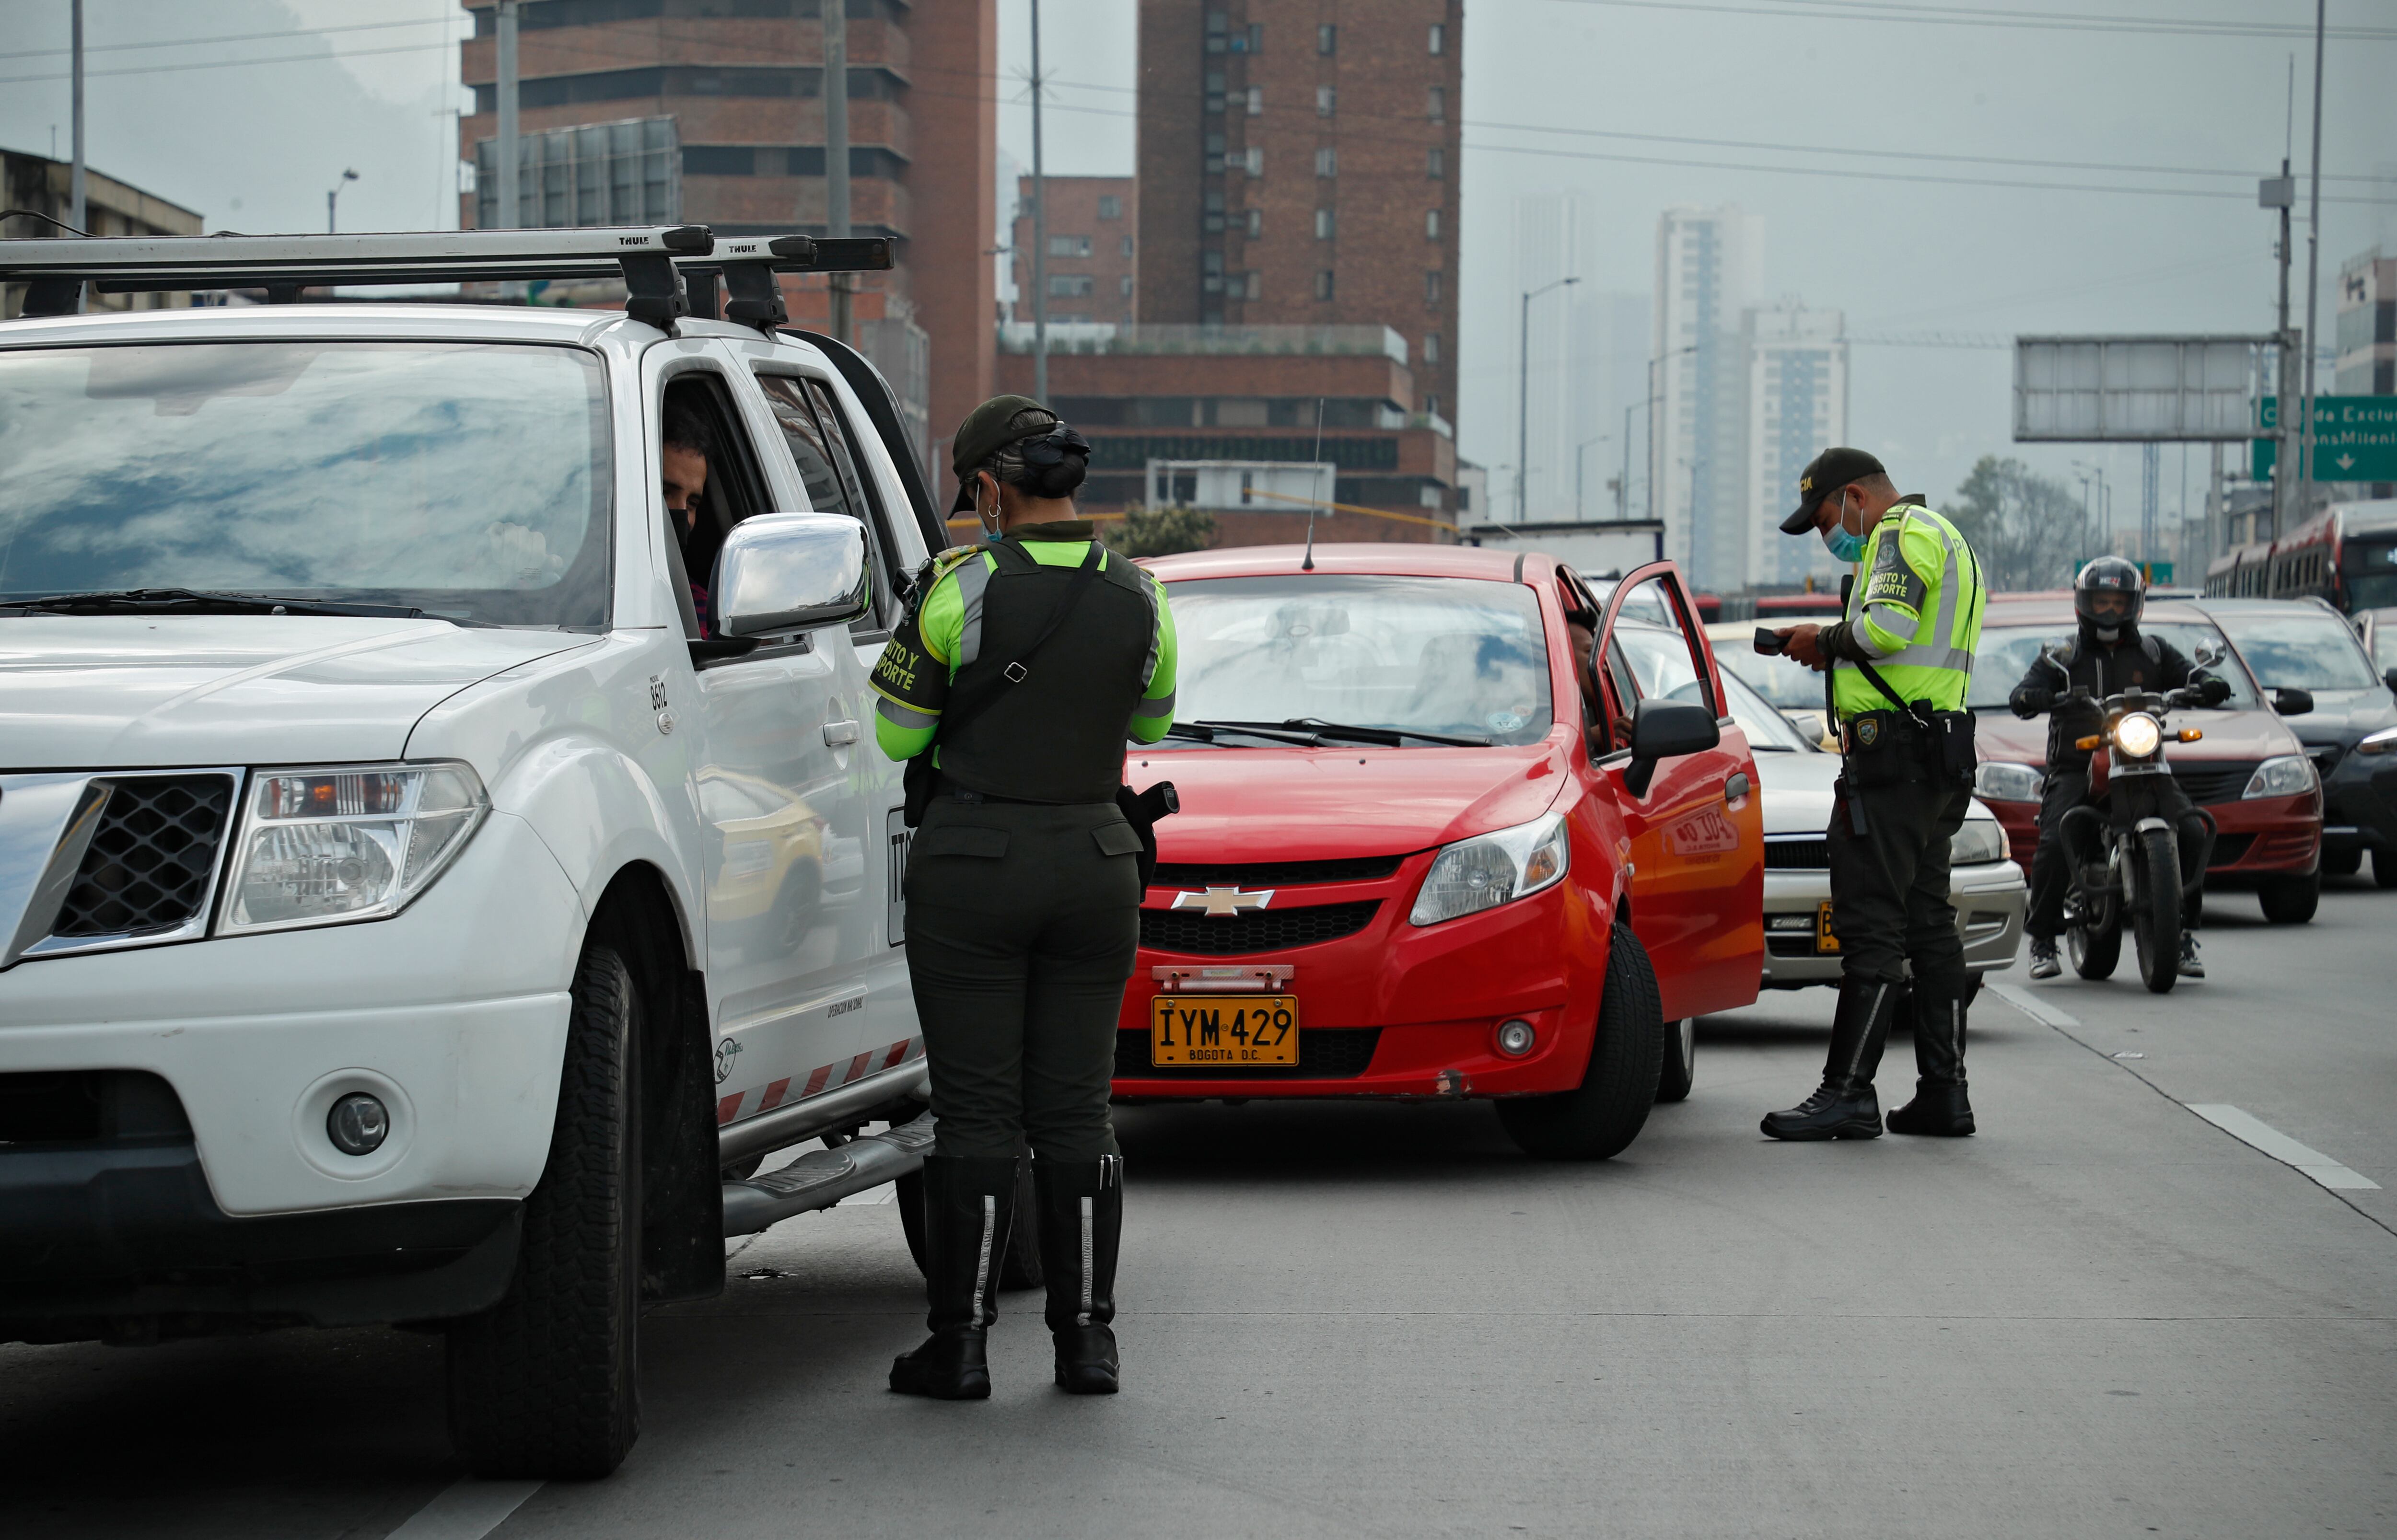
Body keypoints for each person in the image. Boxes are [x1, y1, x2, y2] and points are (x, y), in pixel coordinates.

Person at [867, 394, 1178, 1400]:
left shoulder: (957, 592)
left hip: (975, 868)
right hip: (1095, 862)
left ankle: (957, 1346)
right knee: (1077, 1110)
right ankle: (1088, 1342)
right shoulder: (1144, 593)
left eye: (973, 493)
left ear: (993, 488)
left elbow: (898, 738)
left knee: (977, 1113)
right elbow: (1156, 725)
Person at [1763, 448, 1988, 1140]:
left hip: (1894, 762)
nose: (1832, 535)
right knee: (1928, 926)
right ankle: (1944, 1094)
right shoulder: (1947, 538)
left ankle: (1848, 1093)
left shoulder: (1898, 534)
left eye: (1828, 518)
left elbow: (1885, 630)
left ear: (1856, 496)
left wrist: (1820, 641)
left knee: (1871, 925)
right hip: (1936, 757)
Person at [2007, 557, 2223, 981]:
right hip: (2078, 765)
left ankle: (2180, 934)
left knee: (2193, 830)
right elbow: (2024, 692)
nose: (2109, 611)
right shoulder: (2065, 655)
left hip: (2144, 761)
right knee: (2056, 837)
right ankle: (2043, 938)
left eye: (2118, 602)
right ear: (2082, 604)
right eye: (2100, 601)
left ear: (2135, 605)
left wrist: (2209, 685)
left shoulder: (2153, 650)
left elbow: (2189, 677)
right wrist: (2034, 696)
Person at [660, 399, 715, 634]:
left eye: (692, 503)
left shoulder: (702, 613)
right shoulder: (569, 590)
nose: (682, 513)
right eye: (665, 492)